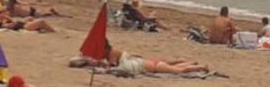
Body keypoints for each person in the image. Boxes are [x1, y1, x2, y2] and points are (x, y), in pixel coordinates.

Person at [70, 41, 209, 76]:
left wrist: (102, 66)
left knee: (180, 71)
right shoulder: (113, 53)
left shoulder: (112, 53)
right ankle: (190, 62)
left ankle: (201, 67)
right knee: (176, 67)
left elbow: (112, 68)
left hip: (153, 66)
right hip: (147, 63)